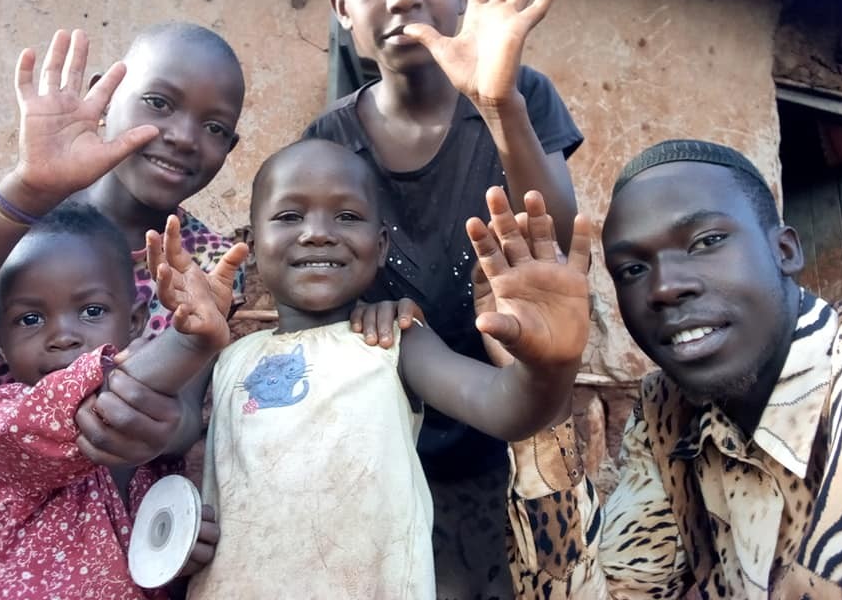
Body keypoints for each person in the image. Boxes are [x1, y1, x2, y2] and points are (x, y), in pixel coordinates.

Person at [0, 24, 247, 598]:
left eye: (214, 127)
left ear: (230, 147)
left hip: (121, 550)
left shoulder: (204, 261)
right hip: (2, 552)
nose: (184, 137)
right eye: (160, 103)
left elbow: (186, 412)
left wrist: (161, 430)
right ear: (105, 98)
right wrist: (27, 190)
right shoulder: (25, 220)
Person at [303, 0, 583, 594]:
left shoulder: (523, 95)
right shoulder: (328, 141)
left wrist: (498, 106)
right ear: (342, 6)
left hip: (515, 418)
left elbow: (552, 229)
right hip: (387, 429)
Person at [186, 138, 592, 599]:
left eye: (347, 216)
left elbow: (504, 408)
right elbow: (172, 433)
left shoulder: (396, 341)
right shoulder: (230, 356)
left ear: (380, 247)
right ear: (253, 244)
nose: (317, 233)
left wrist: (548, 362)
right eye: (289, 216)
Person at [506, 139, 842, 598]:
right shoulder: (666, 416)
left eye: (707, 241)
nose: (665, 287)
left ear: (785, 250)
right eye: (631, 269)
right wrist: (545, 391)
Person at [0, 201, 246, 600]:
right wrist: (190, 339)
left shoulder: (152, 457)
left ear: (134, 321)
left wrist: (177, 555)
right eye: (30, 319)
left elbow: (141, 567)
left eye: (91, 311)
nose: (63, 336)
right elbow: (95, 404)